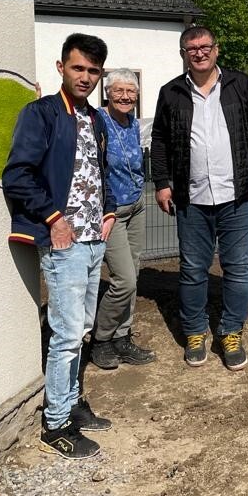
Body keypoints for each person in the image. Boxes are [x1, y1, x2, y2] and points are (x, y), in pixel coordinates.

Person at [2, 33, 116, 460]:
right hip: (63, 241)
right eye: (78, 68)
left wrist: (108, 211)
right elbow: (17, 175)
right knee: (66, 335)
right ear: (61, 68)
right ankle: (56, 424)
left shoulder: (96, 119)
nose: (85, 77)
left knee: (80, 329)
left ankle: (72, 402)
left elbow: (99, 171)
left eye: (93, 71)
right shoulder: (42, 113)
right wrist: (53, 218)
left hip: (92, 239)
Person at [150, 25, 248, 370]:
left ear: (216, 49)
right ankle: (194, 331)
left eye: (205, 46)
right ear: (183, 55)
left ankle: (231, 331)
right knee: (193, 269)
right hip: (191, 198)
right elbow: (159, 140)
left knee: (237, 268)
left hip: (238, 195)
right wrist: (161, 182)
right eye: (192, 49)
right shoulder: (171, 92)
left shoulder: (240, 85)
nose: (199, 53)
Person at [90, 69, 156, 369]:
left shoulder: (132, 122)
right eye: (119, 90)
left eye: (131, 91)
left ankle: (122, 336)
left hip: (136, 206)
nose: (125, 96)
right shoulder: (97, 121)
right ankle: (101, 339)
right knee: (124, 280)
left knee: (134, 275)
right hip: (111, 212)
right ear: (107, 92)